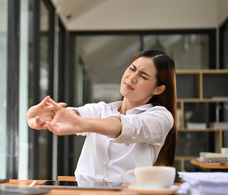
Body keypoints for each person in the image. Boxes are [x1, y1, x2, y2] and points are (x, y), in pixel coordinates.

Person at [27, 50, 177, 182]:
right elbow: (75, 114)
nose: (131, 78)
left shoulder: (161, 118)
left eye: (143, 76)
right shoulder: (101, 109)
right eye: (132, 69)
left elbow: (127, 126)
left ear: (158, 89)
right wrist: (45, 115)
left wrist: (81, 123)